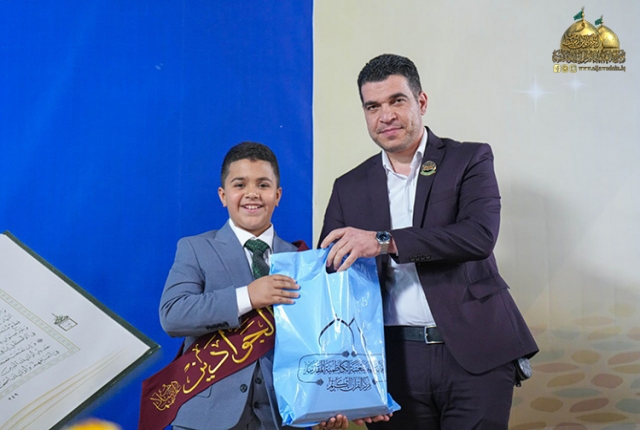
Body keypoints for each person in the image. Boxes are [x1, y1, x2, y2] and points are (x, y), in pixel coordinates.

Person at [319, 54, 538, 429]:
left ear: (421, 101)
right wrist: (353, 384)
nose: (385, 116)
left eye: (396, 101)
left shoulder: (469, 159)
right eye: (373, 106)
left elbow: (478, 237)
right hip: (392, 361)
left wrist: (384, 241)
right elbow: (331, 284)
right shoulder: (348, 187)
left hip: (475, 352)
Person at [159, 142, 352, 430]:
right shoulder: (195, 248)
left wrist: (325, 406)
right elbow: (173, 315)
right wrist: (248, 296)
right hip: (207, 417)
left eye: (263, 184)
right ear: (223, 196)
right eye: (240, 184)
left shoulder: (303, 260)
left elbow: (320, 340)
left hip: (281, 418)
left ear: (278, 195)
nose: (252, 193)